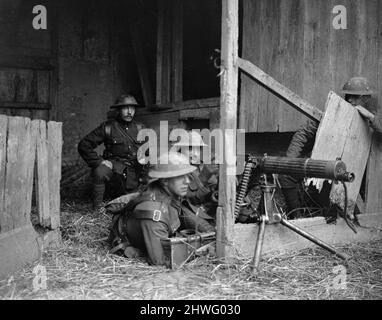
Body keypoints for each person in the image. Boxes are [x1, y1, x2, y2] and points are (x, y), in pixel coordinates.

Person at [279, 77, 379, 218]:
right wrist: (290, 160)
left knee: (354, 213)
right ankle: (297, 216)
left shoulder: (373, 117)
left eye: (355, 97)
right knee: (286, 176)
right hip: (328, 166)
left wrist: (371, 118)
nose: (350, 100)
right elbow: (304, 132)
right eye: (348, 96)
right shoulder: (335, 111)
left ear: (367, 98)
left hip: (357, 175)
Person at [108, 151, 215, 266]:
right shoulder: (154, 213)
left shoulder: (169, 196)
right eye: (180, 177)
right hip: (133, 241)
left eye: (187, 176)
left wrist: (211, 234)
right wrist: (202, 252)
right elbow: (161, 262)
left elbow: (187, 212)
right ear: (164, 181)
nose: (187, 181)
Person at [78, 94, 146, 213]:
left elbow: (150, 152)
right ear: (118, 110)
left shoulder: (141, 128)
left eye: (132, 108)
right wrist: (100, 161)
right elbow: (84, 145)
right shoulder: (108, 128)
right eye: (125, 108)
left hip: (134, 172)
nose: (129, 112)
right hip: (115, 170)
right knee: (100, 171)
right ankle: (97, 209)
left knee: (132, 203)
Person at [172, 131, 219, 223]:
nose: (195, 153)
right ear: (180, 150)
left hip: (208, 211)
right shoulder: (174, 169)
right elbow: (183, 200)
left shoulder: (202, 166)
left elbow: (214, 189)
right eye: (190, 148)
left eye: (198, 149)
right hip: (187, 214)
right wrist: (203, 178)